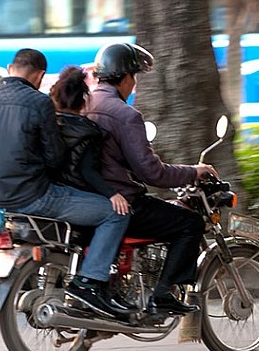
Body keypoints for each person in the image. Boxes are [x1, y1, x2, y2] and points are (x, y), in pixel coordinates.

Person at [0, 49, 133, 319]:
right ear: (39, 76)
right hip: (36, 197)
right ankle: (90, 283)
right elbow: (54, 158)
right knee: (114, 213)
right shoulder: (38, 103)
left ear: (10, 68)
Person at [85, 43, 218, 315]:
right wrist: (193, 171)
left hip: (86, 199)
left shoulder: (84, 104)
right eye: (134, 76)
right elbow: (152, 173)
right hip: (121, 202)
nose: (134, 84)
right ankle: (163, 294)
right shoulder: (125, 115)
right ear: (125, 77)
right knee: (189, 223)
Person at [49, 66, 129, 216]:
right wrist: (113, 194)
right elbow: (87, 171)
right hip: (76, 193)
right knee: (119, 216)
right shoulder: (89, 132)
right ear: (83, 103)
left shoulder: (49, 125)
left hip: (50, 190)